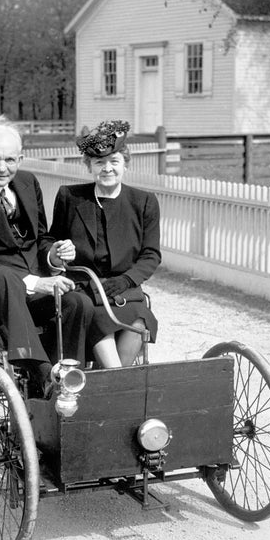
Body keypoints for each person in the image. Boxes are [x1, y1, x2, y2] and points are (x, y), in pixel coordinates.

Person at [0, 115, 93, 391]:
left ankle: (70, 379)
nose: (2, 168)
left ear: (20, 159)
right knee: (3, 277)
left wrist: (53, 256)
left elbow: (41, 237)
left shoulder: (27, 183)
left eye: (10, 160)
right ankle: (43, 373)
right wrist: (37, 282)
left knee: (76, 302)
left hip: (29, 291)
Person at [50, 120, 161, 368]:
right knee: (98, 318)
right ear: (89, 166)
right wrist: (57, 251)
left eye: (114, 162)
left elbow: (151, 255)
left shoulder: (143, 202)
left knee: (139, 322)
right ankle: (115, 381)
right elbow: (51, 239)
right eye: (100, 163)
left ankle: (112, 383)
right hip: (84, 289)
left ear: (125, 164)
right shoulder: (70, 198)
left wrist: (127, 280)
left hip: (124, 289)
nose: (107, 169)